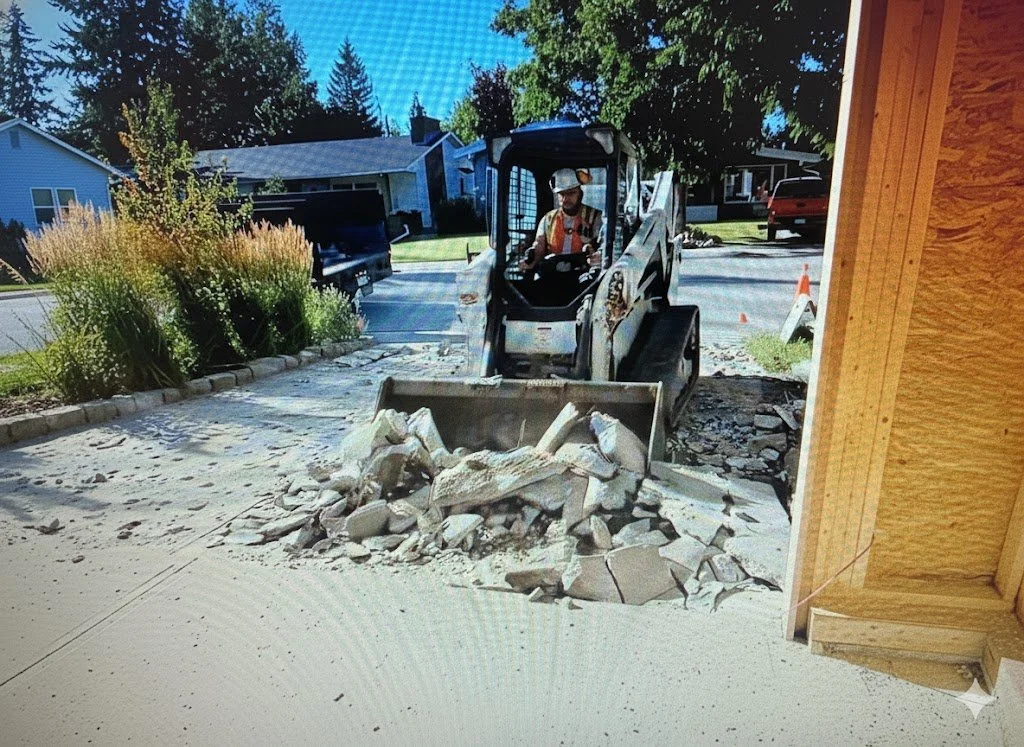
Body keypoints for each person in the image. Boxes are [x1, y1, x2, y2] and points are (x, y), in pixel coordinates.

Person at [519, 168, 603, 273]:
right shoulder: (548, 219)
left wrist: (596, 255)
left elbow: (601, 246)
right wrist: (531, 257)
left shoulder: (595, 217)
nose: (565, 199)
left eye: (571, 193)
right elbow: (539, 245)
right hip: (552, 274)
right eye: (562, 194)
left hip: (583, 274)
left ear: (580, 194)